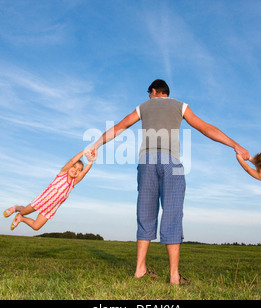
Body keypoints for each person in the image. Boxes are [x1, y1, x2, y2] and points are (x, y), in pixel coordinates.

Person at [90, 79, 249, 284]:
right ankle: (174, 276)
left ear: (154, 91)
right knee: (172, 215)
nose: (149, 97)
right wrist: (234, 145)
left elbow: (120, 127)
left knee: (145, 214)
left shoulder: (143, 107)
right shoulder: (180, 106)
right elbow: (205, 128)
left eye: (149, 93)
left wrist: (96, 144)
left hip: (146, 162)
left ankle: (140, 269)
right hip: (170, 163)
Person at [3, 150, 96, 231]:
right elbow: (72, 161)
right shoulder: (62, 174)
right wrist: (84, 152)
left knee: (36, 227)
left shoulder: (73, 183)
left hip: (50, 209)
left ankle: (21, 219)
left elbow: (84, 172)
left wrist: (90, 161)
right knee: (23, 211)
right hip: (42, 201)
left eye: (79, 170)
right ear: (69, 167)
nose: (75, 170)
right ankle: (16, 208)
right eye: (74, 167)